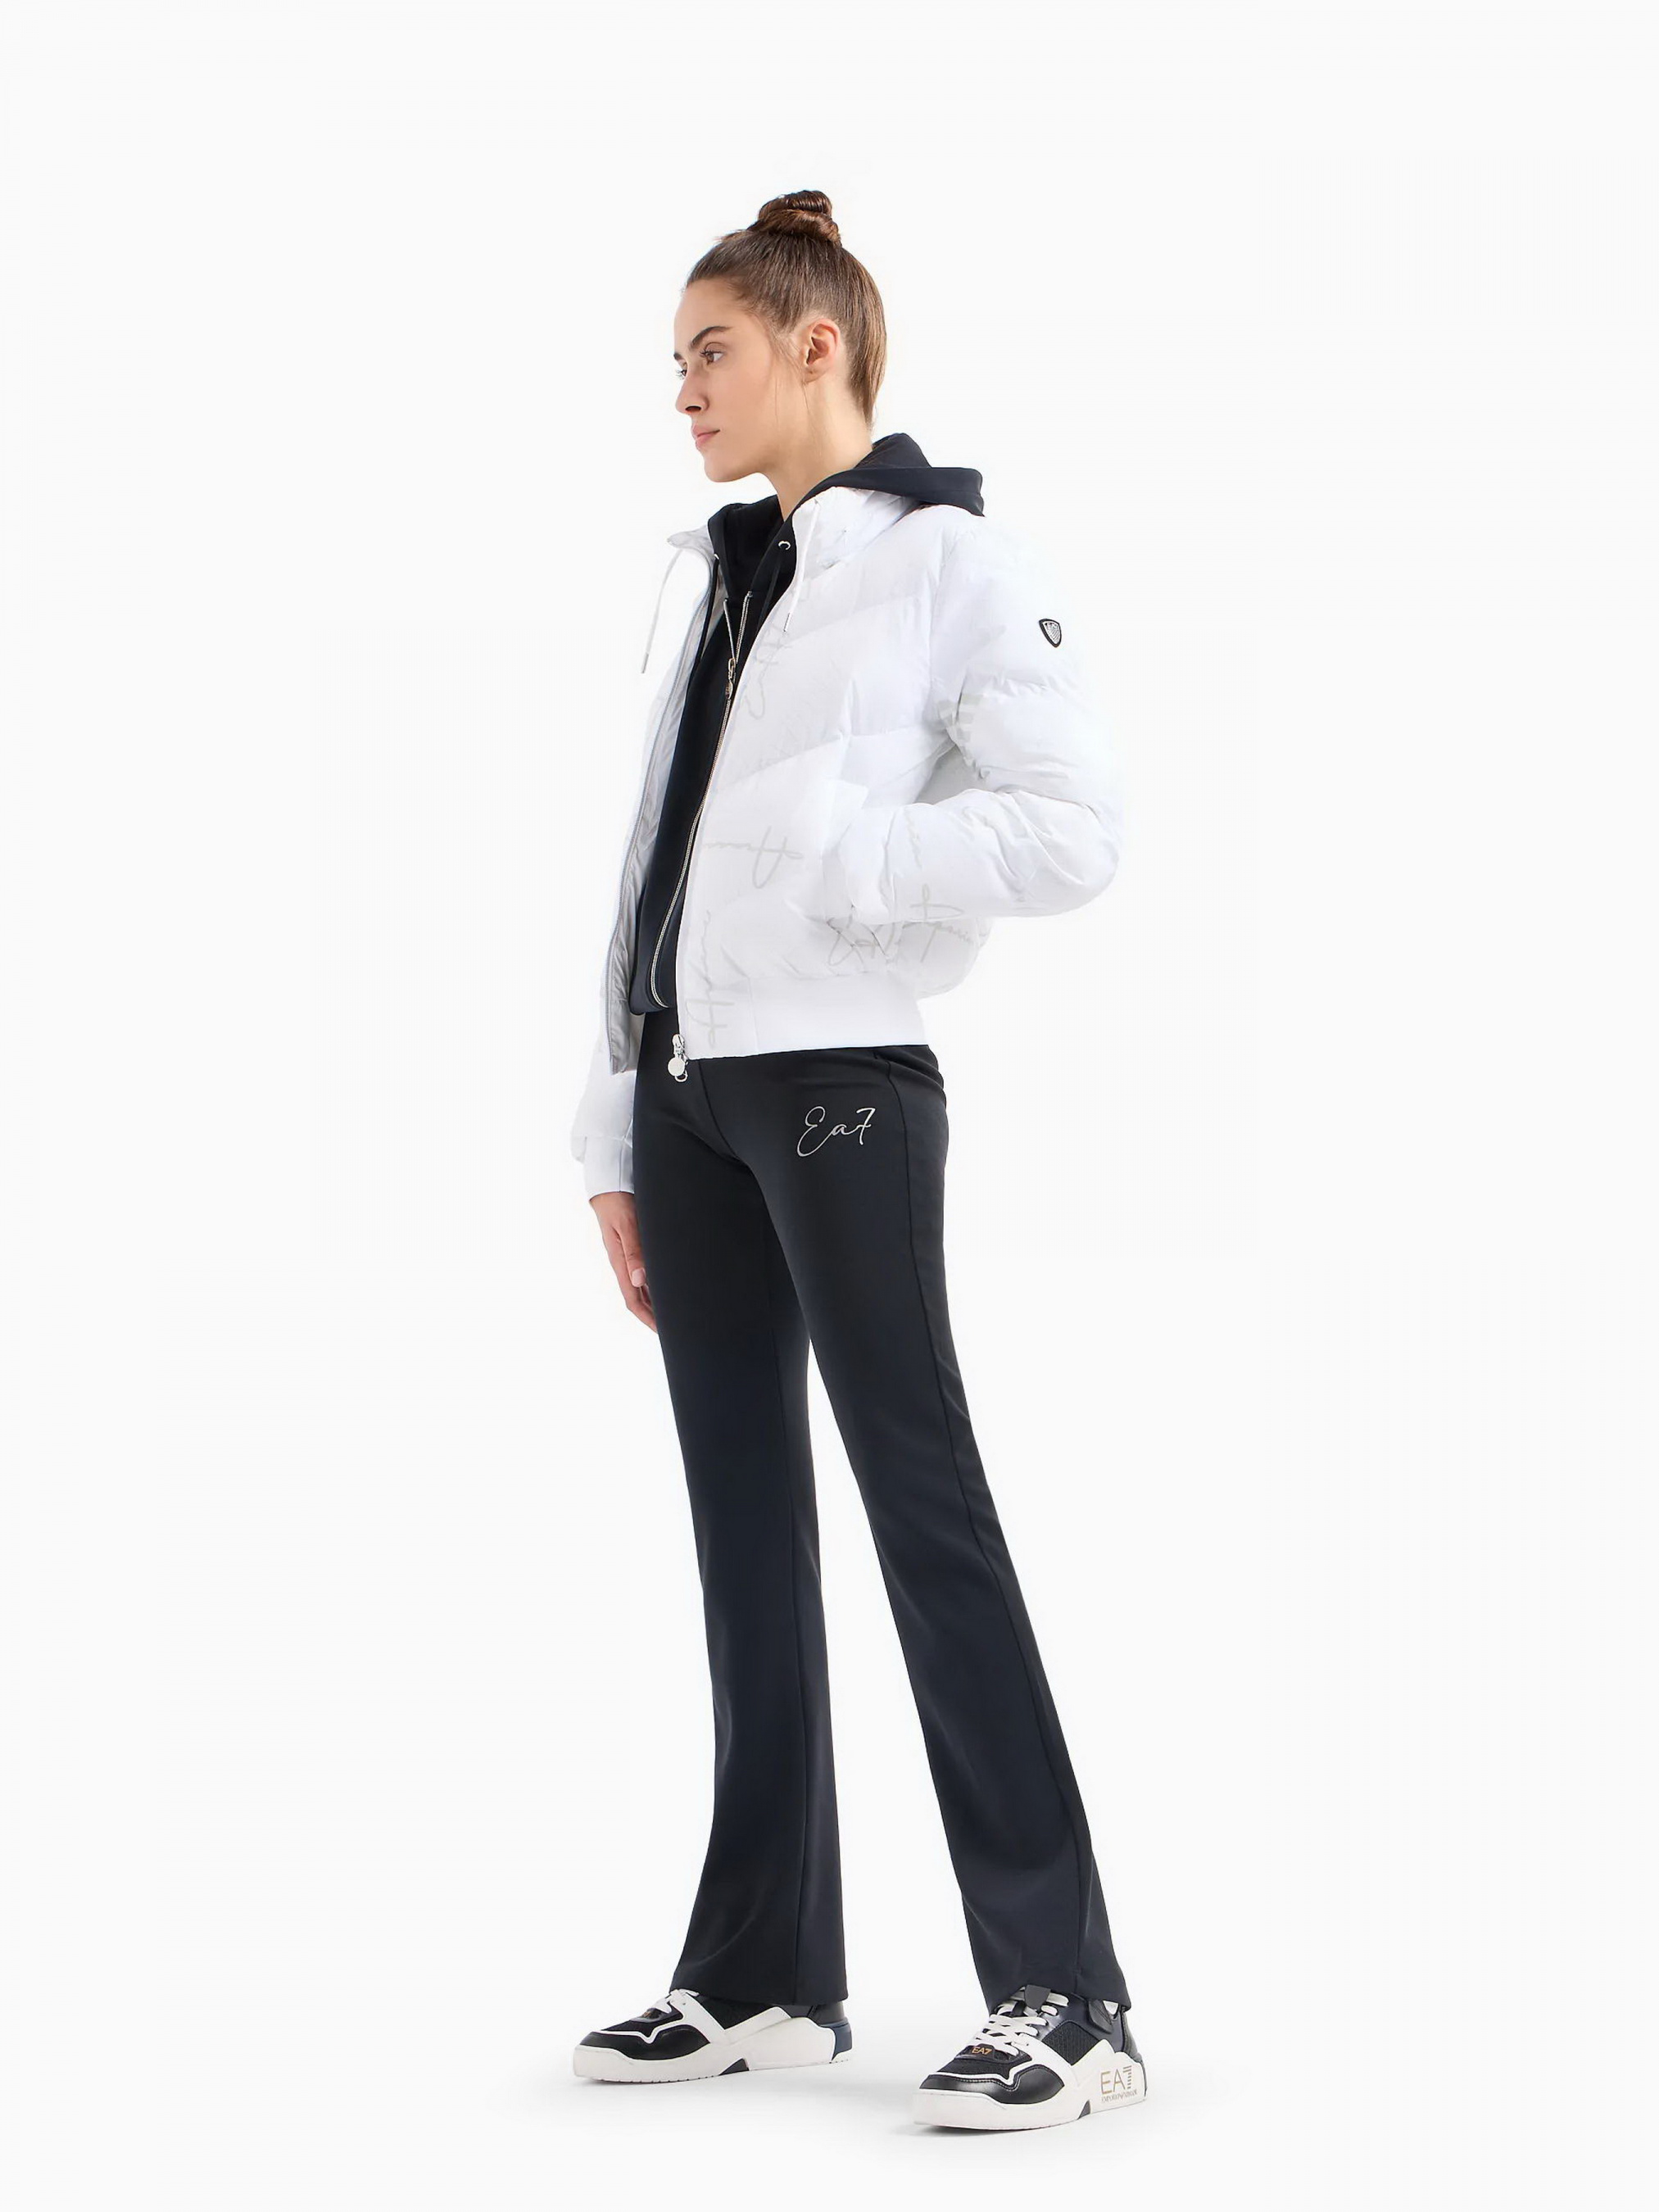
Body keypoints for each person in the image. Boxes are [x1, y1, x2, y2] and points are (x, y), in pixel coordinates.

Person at [567, 189, 1145, 2133]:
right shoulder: (729, 573)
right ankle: (758, 1975)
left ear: (816, 346)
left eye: (709, 352)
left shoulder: (947, 561)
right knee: (740, 1529)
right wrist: (616, 1123)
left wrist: (845, 867)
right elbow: (652, 867)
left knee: (921, 1507)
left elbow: (1069, 830)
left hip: (837, 1082)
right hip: (693, 1095)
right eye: (672, 362)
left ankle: (1066, 1991)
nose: (682, 392)